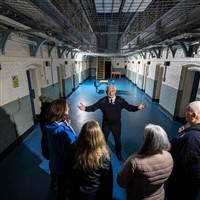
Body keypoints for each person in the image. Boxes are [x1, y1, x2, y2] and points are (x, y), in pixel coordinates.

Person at [78, 84, 147, 161]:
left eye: (112, 91)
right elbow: (93, 107)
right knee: (103, 140)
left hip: (116, 125)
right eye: (109, 91)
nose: (110, 93)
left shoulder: (120, 100)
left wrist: (137, 107)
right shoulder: (102, 101)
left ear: (115, 91)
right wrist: (85, 108)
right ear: (106, 92)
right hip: (106, 125)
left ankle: (118, 153)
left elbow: (129, 107)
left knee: (117, 140)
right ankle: (102, 154)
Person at [117, 124, 173, 200]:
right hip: (159, 197)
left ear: (147, 140)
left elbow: (121, 182)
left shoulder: (134, 161)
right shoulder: (168, 156)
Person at [68, 121, 113, 200]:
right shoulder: (103, 156)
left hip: (76, 193)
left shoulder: (73, 149)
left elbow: (69, 170)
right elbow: (107, 181)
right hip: (94, 195)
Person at [165, 101, 200, 200]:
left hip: (181, 186)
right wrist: (184, 133)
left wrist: (186, 136)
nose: (185, 112)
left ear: (193, 115)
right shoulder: (192, 133)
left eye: (187, 110)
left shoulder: (192, 139)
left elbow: (192, 169)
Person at [45, 99, 77, 200]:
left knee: (60, 186)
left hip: (55, 164)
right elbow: (70, 152)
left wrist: (65, 125)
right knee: (64, 190)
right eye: (67, 107)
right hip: (64, 167)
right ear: (62, 111)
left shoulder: (51, 125)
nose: (69, 108)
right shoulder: (61, 132)